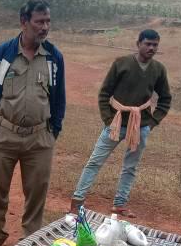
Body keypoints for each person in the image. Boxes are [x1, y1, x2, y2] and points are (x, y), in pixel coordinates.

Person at [0, 0, 65, 246]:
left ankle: (30, 236)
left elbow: (59, 98)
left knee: (37, 189)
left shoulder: (54, 57)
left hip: (40, 136)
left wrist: (53, 131)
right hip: (3, 133)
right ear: (24, 22)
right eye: (39, 22)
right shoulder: (1, 55)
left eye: (48, 21)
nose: (45, 27)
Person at [69, 29, 172, 217]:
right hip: (115, 124)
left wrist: (151, 122)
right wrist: (109, 120)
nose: (151, 48)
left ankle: (120, 204)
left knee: (130, 167)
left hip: (140, 126)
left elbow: (165, 99)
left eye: (155, 45)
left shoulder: (158, 69)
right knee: (95, 161)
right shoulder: (121, 63)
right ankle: (77, 201)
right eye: (147, 44)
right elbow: (104, 93)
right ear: (138, 44)